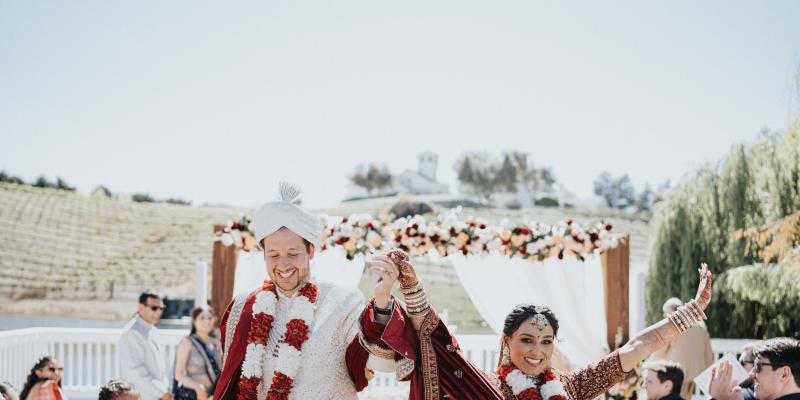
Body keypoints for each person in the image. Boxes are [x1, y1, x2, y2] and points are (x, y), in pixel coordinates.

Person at [380, 250, 714, 400]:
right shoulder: (487, 388)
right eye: (527, 340)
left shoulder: (571, 388)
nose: (538, 351)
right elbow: (442, 349)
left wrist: (692, 311)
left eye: (546, 341)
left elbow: (636, 348)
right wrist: (411, 287)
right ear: (507, 341)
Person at [212, 183, 416, 400]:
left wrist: (382, 302)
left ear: (310, 251)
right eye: (273, 254)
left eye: (292, 253)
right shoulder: (244, 307)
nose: (283, 264)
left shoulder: (342, 300)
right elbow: (232, 384)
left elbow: (383, 363)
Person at [651, 297, 714, 398]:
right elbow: (708, 351)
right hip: (695, 372)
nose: (664, 316)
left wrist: (652, 364)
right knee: (685, 397)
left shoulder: (674, 324)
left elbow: (661, 349)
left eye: (665, 313)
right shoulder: (700, 325)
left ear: (672, 311)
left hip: (675, 371)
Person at [119, 292, 171, 400]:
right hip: (141, 395)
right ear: (141, 307)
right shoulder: (132, 332)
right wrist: (162, 392)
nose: (158, 312)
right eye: (154, 308)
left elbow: (159, 369)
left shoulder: (154, 331)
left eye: (161, 308)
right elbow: (136, 371)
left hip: (157, 395)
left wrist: (165, 390)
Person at [173, 307, 221, 400]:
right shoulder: (187, 342)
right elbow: (178, 374)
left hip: (214, 395)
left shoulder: (217, 343)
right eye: (202, 318)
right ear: (194, 321)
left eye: (210, 318)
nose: (207, 321)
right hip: (195, 395)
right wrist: (198, 388)